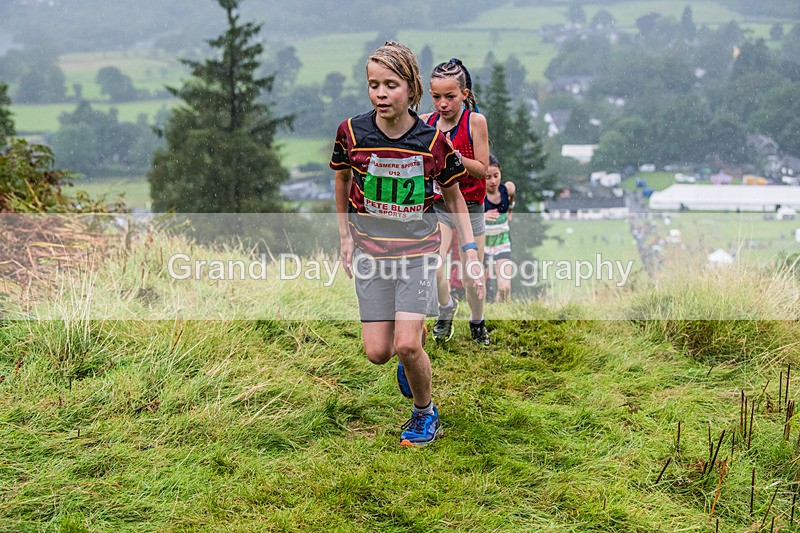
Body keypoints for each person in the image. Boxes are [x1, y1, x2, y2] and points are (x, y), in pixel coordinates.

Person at [330, 42, 484, 447]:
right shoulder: (351, 132)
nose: (380, 93)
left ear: (411, 88)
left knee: (406, 343)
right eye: (373, 85)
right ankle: (410, 356)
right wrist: (345, 235)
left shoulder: (432, 141)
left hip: (417, 255)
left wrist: (470, 253)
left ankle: (424, 413)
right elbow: (343, 179)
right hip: (371, 255)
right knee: (379, 352)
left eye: (391, 85)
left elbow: (454, 199)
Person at [420, 58, 491, 345]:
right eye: (436, 97)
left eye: (450, 97)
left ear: (465, 94)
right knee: (434, 266)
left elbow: (482, 169)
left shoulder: (475, 122)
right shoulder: (426, 122)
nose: (443, 103)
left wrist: (454, 156)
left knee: (472, 275)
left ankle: (477, 321)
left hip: (472, 206)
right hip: (439, 206)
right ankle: (446, 308)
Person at [484, 154, 516, 302]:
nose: (493, 181)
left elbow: (511, 201)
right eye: (488, 177)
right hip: (482, 244)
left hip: (502, 243)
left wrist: (509, 211)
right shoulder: (478, 196)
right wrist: (482, 217)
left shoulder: (507, 189)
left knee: (504, 289)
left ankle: (503, 314)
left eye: (496, 176)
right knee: (479, 290)